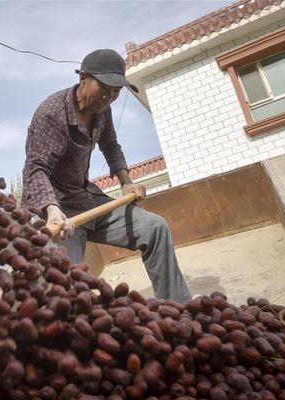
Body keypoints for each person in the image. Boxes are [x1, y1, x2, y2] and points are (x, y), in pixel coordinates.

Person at [21, 49, 191, 303]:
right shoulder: (51, 114)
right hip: (55, 213)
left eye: (116, 91)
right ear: (83, 78)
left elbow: (111, 145)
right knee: (66, 284)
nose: (109, 97)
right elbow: (35, 169)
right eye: (105, 88)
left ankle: (178, 306)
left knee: (155, 228)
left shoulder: (102, 110)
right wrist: (53, 211)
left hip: (85, 199)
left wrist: (126, 182)